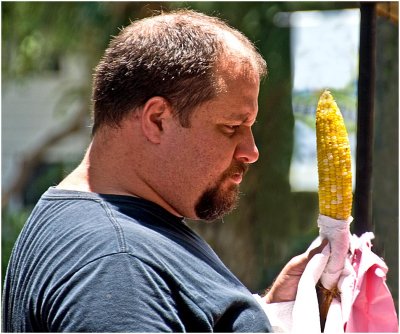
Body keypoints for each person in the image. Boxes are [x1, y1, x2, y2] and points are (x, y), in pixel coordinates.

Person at [2, 9, 326, 332]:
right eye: (232, 127)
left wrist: (266, 315)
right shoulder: (116, 266)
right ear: (157, 120)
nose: (251, 151)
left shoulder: (95, 229)